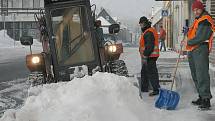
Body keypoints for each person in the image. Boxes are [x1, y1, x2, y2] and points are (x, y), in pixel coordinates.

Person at [185, 0, 215, 110]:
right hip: (193, 50)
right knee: (195, 75)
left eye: (197, 9)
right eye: (194, 10)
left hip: (200, 49)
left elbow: (201, 36)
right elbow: (194, 34)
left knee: (202, 74)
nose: (195, 11)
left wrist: (188, 42)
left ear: (202, 8)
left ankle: (206, 99)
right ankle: (201, 96)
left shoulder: (205, 20)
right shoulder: (198, 20)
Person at [139, 16, 160, 96]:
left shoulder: (148, 32)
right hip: (150, 56)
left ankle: (156, 89)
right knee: (145, 72)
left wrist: (145, 55)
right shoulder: (148, 31)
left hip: (150, 56)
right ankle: (145, 88)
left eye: (142, 24)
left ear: (145, 23)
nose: (141, 26)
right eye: (140, 24)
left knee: (151, 72)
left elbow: (149, 46)